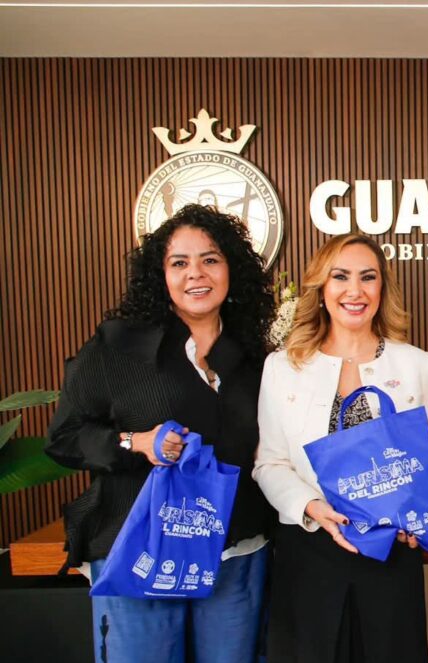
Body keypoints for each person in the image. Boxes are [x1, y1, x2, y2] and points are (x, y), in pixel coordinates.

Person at [46, 204, 276, 663]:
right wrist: (134, 443)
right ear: (160, 275)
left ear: (232, 269)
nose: (196, 274)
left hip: (236, 552)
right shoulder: (117, 347)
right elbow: (65, 436)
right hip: (141, 551)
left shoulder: (256, 356)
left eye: (210, 259)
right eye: (179, 263)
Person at [253, 233, 428, 663]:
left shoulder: (416, 363)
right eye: (340, 277)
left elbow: (426, 457)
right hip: (310, 548)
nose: (355, 291)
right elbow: (270, 463)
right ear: (321, 288)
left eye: (367, 277)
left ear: (382, 288)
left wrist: (416, 514)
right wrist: (311, 506)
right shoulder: (283, 367)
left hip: (390, 552)